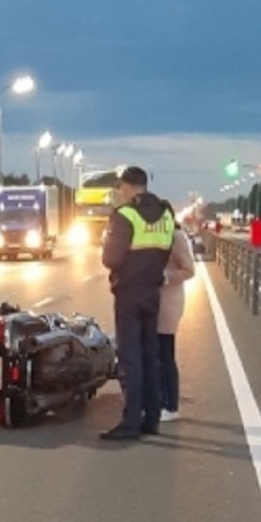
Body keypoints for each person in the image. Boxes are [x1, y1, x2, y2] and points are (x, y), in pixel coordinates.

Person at [99, 166, 175, 441]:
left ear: (128, 186)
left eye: (120, 187)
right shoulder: (167, 213)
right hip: (153, 291)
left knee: (131, 359)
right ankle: (152, 419)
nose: (120, 192)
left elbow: (111, 259)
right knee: (150, 357)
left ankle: (131, 423)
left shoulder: (125, 215)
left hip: (129, 293)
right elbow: (167, 249)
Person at [157, 225, 195, 422]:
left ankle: (171, 405)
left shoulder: (176, 236)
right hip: (153, 302)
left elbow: (189, 269)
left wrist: (165, 277)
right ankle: (159, 400)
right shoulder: (155, 235)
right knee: (155, 355)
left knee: (165, 354)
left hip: (168, 302)